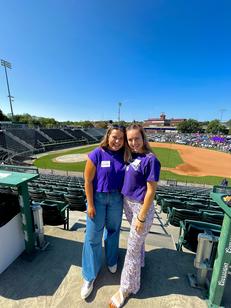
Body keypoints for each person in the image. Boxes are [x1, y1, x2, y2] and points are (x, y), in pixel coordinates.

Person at [109, 124, 161, 308]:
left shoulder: (151, 159)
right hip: (128, 205)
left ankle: (126, 288)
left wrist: (141, 217)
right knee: (137, 244)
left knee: (131, 250)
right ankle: (140, 265)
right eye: (130, 140)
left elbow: (151, 191)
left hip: (141, 208)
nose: (133, 143)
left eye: (136, 138)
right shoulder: (131, 155)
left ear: (143, 137)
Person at [81, 125, 127, 300]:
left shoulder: (125, 155)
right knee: (93, 237)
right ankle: (89, 276)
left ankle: (111, 259)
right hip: (98, 199)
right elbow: (87, 180)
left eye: (120, 138)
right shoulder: (97, 153)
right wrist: (90, 204)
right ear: (108, 136)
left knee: (113, 231)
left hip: (116, 198)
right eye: (114, 137)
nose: (117, 141)